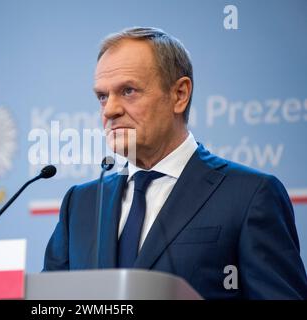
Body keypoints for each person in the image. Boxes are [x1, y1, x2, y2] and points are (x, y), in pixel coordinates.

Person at [43, 27, 307, 299]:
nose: (110, 109)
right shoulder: (80, 204)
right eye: (102, 96)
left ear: (179, 94)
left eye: (128, 91)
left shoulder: (250, 196)